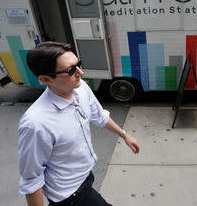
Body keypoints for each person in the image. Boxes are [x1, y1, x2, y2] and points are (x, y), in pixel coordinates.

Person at [18, 42, 140, 206]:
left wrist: (124, 135)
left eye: (78, 65)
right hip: (69, 194)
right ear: (45, 79)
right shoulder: (36, 124)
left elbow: (99, 116)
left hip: (85, 176)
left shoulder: (80, 87)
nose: (80, 73)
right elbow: (32, 179)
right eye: (71, 70)